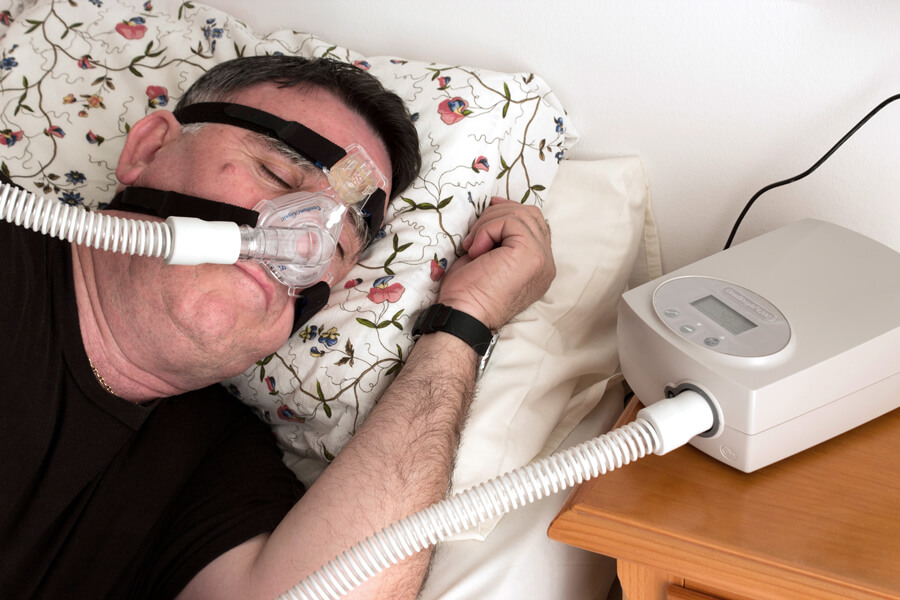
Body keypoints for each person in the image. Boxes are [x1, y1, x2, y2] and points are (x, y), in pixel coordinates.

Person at [0, 55, 555, 600]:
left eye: (336, 245)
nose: (299, 241)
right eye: (277, 173)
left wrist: (465, 322)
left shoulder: (214, 463)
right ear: (149, 150)